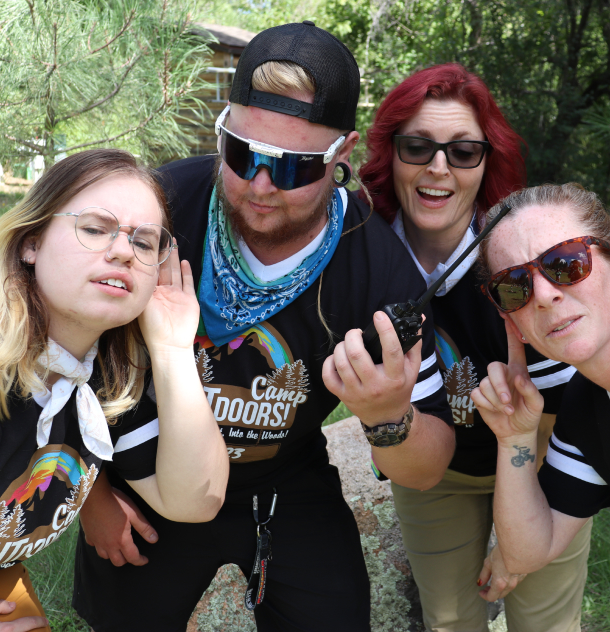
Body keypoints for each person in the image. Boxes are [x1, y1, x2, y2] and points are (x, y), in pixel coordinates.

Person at [72, 21, 455, 632]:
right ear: (223, 127)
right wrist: (88, 496)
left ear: (343, 156)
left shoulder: (379, 275)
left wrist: (389, 417)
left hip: (283, 477)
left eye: (295, 167)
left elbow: (429, 464)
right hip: (144, 464)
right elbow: (53, 350)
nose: (259, 185)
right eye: (242, 152)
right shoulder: (160, 205)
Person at [0, 149, 228, 632]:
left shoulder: (103, 368)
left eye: (144, 242)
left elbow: (194, 500)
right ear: (30, 242)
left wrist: (173, 348)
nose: (122, 251)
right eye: (95, 228)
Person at [359, 64, 592, 632]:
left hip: (546, 452)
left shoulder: (519, 253)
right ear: (391, 154)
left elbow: (564, 412)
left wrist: (519, 541)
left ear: (486, 161)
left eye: (463, 151)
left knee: (545, 622)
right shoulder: (358, 255)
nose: (439, 168)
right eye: (418, 146)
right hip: (438, 471)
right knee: (448, 621)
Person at [471, 183, 610, 578]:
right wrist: (515, 438)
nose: (543, 294)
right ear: (513, 323)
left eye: (566, 263)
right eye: (515, 286)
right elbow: (528, 552)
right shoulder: (585, 411)